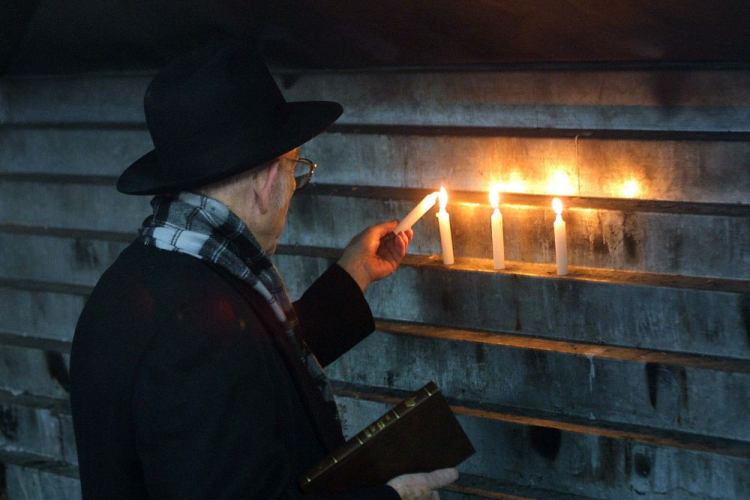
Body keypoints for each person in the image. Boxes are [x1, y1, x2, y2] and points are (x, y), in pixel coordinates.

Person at [69, 40, 458, 499]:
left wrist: (354, 274)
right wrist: (392, 497)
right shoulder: (196, 332)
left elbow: (251, 370)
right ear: (269, 180)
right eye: (297, 168)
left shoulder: (142, 277)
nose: (295, 185)